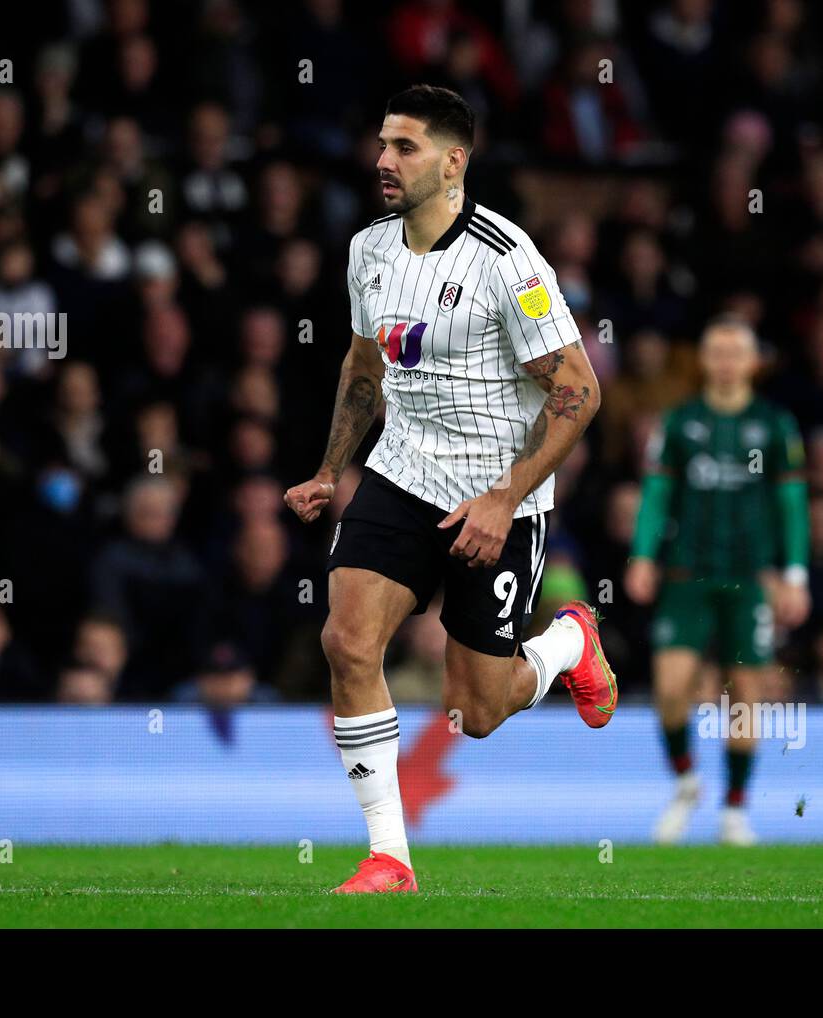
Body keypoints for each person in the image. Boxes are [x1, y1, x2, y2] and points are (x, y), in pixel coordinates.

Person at [284, 86, 616, 893]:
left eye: (403, 147)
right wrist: (332, 470)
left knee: (478, 711)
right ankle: (389, 858)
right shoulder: (369, 251)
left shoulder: (509, 261)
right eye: (382, 145)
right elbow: (364, 368)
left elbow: (578, 390)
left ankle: (569, 640)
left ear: (454, 160)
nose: (383, 162)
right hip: (401, 474)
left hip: (497, 496)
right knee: (347, 642)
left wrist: (504, 499)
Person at [625, 316, 810, 845]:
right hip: (687, 573)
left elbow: (791, 504)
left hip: (748, 577)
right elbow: (657, 494)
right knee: (669, 687)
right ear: (704, 361)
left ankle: (734, 809)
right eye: (717, 352)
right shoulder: (680, 422)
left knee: (746, 691)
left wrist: (795, 574)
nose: (727, 362)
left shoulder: (774, 425)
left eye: (737, 352)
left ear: (753, 362)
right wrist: (642, 555)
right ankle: (686, 779)